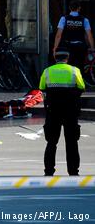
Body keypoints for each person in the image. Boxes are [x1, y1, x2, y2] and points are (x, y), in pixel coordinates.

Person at [38, 48, 85, 176]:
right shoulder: (74, 70)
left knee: (51, 142)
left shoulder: (47, 71)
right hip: (71, 110)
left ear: (55, 59)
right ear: (67, 59)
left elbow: (42, 88)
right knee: (72, 142)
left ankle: (48, 171)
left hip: (53, 111)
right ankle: (73, 171)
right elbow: (82, 87)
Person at [52, 0, 95, 70]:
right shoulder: (84, 20)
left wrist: (55, 48)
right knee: (80, 68)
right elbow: (89, 36)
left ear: (69, 8)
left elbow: (58, 35)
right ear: (79, 8)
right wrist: (92, 49)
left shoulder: (63, 19)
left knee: (68, 67)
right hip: (80, 48)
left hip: (68, 48)